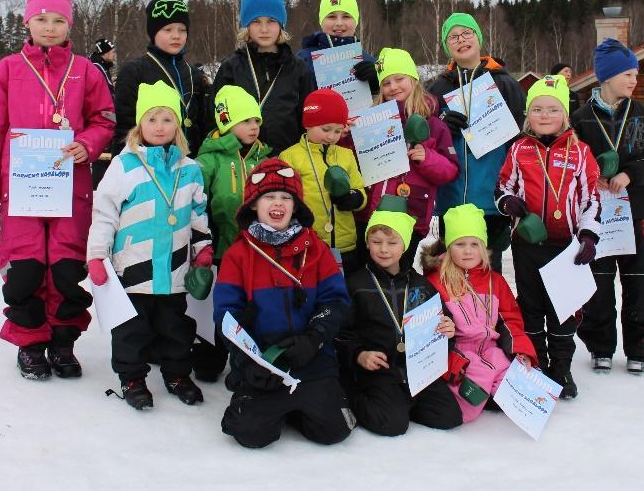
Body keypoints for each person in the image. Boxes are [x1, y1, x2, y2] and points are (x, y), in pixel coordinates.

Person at [0, 0, 115, 380]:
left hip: (70, 189)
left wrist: (87, 143)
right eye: (42, 18)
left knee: (66, 269)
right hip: (19, 189)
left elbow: (104, 119)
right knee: (26, 268)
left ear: (69, 25)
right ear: (27, 22)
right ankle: (32, 343)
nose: (49, 27)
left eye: (58, 19)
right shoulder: (7, 70)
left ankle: (63, 343)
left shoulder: (85, 71)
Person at [86, 81, 213, 409]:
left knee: (176, 326)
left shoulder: (191, 169)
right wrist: (97, 256)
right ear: (139, 124)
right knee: (132, 328)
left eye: (167, 119)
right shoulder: (124, 165)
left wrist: (203, 249)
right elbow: (104, 212)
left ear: (178, 125)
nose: (159, 127)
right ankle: (132, 378)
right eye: (152, 119)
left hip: (174, 269)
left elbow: (198, 215)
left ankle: (177, 374)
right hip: (134, 268)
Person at [213, 158, 354, 448]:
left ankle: (302, 403)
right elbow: (226, 315)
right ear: (253, 204)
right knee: (251, 435)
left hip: (312, 355)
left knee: (335, 431)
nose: (278, 203)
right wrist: (247, 362)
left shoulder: (317, 249)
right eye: (269, 196)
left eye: (286, 197)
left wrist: (314, 338)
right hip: (265, 361)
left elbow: (336, 300)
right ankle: (264, 402)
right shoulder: (238, 255)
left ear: (295, 205)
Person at [496, 75, 600, 399]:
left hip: (566, 247)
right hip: (527, 243)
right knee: (531, 307)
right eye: (537, 109)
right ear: (528, 114)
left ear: (565, 114)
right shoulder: (519, 149)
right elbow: (503, 188)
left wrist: (588, 237)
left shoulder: (581, 152)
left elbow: (591, 199)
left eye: (552, 109)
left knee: (563, 310)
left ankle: (562, 368)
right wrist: (509, 204)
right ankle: (537, 365)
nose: (544, 115)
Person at [571, 38, 644, 375]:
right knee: (598, 281)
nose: (634, 80)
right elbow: (572, 160)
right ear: (608, 77)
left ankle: (639, 346)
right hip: (598, 216)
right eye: (627, 73)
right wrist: (592, 176)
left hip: (637, 213)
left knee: (639, 280)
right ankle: (600, 345)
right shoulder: (581, 118)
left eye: (636, 74)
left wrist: (630, 174)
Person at [337, 204, 462, 436]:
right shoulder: (356, 284)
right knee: (392, 425)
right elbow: (342, 333)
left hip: (416, 370)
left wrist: (448, 330)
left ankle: (401, 403)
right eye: (376, 242)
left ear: (404, 245)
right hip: (380, 371)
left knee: (449, 417)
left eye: (392, 243)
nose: (383, 249)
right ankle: (353, 395)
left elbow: (443, 323)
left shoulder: (421, 285)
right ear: (367, 243)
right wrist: (358, 355)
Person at [423, 204, 538, 423]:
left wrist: (520, 351)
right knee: (468, 406)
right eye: (460, 244)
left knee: (526, 392)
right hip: (460, 355)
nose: (468, 251)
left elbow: (510, 320)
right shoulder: (436, 281)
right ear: (448, 248)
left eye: (475, 244)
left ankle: (497, 394)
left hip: (493, 351)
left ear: (484, 248)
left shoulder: (495, 281)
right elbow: (431, 330)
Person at [428, 13, 525, 271]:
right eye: (453, 36)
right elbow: (428, 139)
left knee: (489, 274)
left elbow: (520, 140)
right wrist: (442, 125)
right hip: (453, 199)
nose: (462, 40)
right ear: (447, 46)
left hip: (492, 200)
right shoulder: (437, 89)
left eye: (467, 33)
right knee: (452, 271)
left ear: (478, 38)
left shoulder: (504, 83)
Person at [190, 84, 272, 382]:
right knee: (219, 304)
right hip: (222, 250)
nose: (254, 127)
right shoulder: (210, 160)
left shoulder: (263, 160)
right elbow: (197, 203)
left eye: (256, 121)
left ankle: (244, 361)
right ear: (226, 123)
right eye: (246, 121)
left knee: (251, 307)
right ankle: (209, 354)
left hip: (258, 250)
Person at [364, 47, 459, 269]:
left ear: (414, 80)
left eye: (399, 79)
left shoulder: (434, 124)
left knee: (402, 271)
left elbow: (451, 171)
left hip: (411, 214)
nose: (393, 87)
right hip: (377, 213)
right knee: (375, 273)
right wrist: (351, 134)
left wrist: (427, 157)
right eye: (386, 83)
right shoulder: (374, 121)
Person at [212, 0, 314, 156]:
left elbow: (308, 121)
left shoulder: (298, 69)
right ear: (247, 26)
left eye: (271, 21)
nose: (264, 29)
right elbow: (216, 118)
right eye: (256, 21)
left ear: (281, 24)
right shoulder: (231, 67)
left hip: (287, 160)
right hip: (241, 162)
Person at [280, 88, 367, 273]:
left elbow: (360, 189)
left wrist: (355, 198)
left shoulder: (346, 155)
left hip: (345, 244)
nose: (331, 136)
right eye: (325, 129)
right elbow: (284, 199)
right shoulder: (290, 157)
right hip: (309, 242)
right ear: (308, 124)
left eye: (337, 130)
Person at [114, 0, 211, 157]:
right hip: (148, 166)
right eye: (168, 30)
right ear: (153, 32)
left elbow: (202, 125)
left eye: (182, 30)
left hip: (190, 165)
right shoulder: (134, 71)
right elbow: (124, 128)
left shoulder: (194, 74)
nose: (176, 36)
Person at [296, 0, 378, 92]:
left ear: (355, 22)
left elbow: (394, 101)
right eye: (331, 17)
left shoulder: (369, 62)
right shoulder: (302, 60)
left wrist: (377, 84)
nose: (339, 23)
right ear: (322, 21)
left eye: (346, 16)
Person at [90, 38, 117, 189]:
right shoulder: (96, 68)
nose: (113, 55)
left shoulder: (102, 67)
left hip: (105, 114)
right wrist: (113, 118)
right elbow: (102, 95)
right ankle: (98, 187)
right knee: (102, 156)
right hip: (101, 116)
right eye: (112, 52)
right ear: (104, 53)